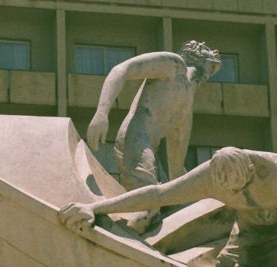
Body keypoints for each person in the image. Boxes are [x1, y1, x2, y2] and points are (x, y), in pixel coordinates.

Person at [59, 146, 277, 267]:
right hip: (248, 237)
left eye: (242, 187)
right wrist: (95, 207)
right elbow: (158, 194)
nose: (237, 194)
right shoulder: (210, 177)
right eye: (230, 192)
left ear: (251, 170)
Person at [86, 40, 221, 233]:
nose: (212, 71)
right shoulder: (174, 65)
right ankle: (103, 237)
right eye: (212, 64)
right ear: (197, 56)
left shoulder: (187, 99)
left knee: (174, 210)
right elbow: (122, 69)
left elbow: (176, 166)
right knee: (148, 209)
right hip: (135, 142)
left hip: (151, 152)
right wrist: (101, 113)